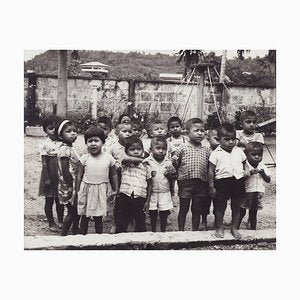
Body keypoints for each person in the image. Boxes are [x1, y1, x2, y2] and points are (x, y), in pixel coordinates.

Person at [76, 126, 119, 234]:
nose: (93, 144)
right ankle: (82, 239)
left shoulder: (108, 158)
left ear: (103, 142)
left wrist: (116, 188)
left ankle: (99, 239)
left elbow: (113, 174)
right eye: (90, 141)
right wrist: (77, 191)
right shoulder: (84, 158)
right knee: (85, 216)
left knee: (98, 217)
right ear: (86, 144)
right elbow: (79, 176)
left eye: (96, 140)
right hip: (86, 190)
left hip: (101, 190)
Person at [208, 123, 247, 239]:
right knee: (220, 207)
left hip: (237, 181)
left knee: (236, 207)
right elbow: (210, 171)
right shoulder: (216, 153)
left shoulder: (239, 151)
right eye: (226, 139)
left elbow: (244, 163)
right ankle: (219, 227)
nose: (230, 142)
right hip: (222, 182)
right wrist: (211, 186)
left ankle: (234, 228)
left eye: (233, 139)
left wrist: (244, 173)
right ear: (219, 140)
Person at [172, 118, 211, 231]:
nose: (200, 133)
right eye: (196, 130)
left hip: (201, 183)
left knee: (197, 209)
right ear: (187, 133)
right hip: (185, 182)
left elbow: (210, 167)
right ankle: (181, 231)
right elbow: (175, 163)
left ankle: (194, 231)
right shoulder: (182, 148)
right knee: (183, 208)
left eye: (202, 130)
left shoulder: (207, 150)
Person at [115, 136, 152, 233]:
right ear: (126, 152)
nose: (136, 152)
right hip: (125, 196)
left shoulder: (146, 166)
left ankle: (140, 244)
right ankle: (119, 244)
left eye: (139, 149)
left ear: (143, 151)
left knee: (140, 223)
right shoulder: (125, 164)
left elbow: (150, 184)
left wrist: (147, 201)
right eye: (132, 149)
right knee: (122, 222)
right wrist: (142, 160)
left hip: (140, 197)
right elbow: (125, 159)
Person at [144, 137, 176, 232]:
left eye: (164, 149)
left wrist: (170, 175)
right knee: (152, 212)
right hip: (152, 192)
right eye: (158, 148)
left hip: (164, 191)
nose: (161, 151)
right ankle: (153, 231)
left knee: (164, 212)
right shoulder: (146, 162)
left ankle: (163, 231)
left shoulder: (168, 162)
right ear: (151, 149)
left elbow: (174, 176)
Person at [38, 114, 64, 231]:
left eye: (56, 127)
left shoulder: (63, 142)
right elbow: (44, 163)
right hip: (50, 174)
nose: (53, 131)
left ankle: (61, 220)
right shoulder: (45, 144)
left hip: (61, 176)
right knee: (49, 200)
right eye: (50, 128)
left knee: (60, 200)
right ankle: (51, 222)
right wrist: (46, 178)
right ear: (45, 130)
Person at [56, 119, 81, 236]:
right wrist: (72, 185)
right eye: (68, 131)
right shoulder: (64, 150)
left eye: (74, 131)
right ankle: (64, 234)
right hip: (70, 185)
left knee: (76, 210)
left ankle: (75, 229)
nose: (73, 133)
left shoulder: (70, 148)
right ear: (61, 136)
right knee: (72, 211)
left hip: (74, 183)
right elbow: (65, 170)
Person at [238, 142, 271, 230]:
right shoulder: (244, 166)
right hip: (246, 192)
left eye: (259, 155)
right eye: (253, 154)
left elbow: (268, 180)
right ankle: (236, 228)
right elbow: (239, 180)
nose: (257, 157)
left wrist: (263, 173)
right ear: (246, 155)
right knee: (241, 211)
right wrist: (248, 173)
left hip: (258, 193)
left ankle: (253, 230)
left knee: (253, 212)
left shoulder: (262, 166)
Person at [200, 128, 220, 230]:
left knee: (218, 202)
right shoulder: (206, 151)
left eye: (221, 139)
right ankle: (203, 220)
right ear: (208, 139)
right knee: (204, 201)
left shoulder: (222, 151)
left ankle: (218, 220)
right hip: (206, 181)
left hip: (219, 181)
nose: (219, 142)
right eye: (216, 139)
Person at [166, 116, 187, 207]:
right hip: (172, 164)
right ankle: (172, 196)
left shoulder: (186, 140)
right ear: (169, 129)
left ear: (181, 127)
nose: (175, 129)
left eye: (177, 126)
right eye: (172, 127)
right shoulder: (168, 141)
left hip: (183, 163)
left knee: (182, 181)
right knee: (171, 182)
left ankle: (182, 197)